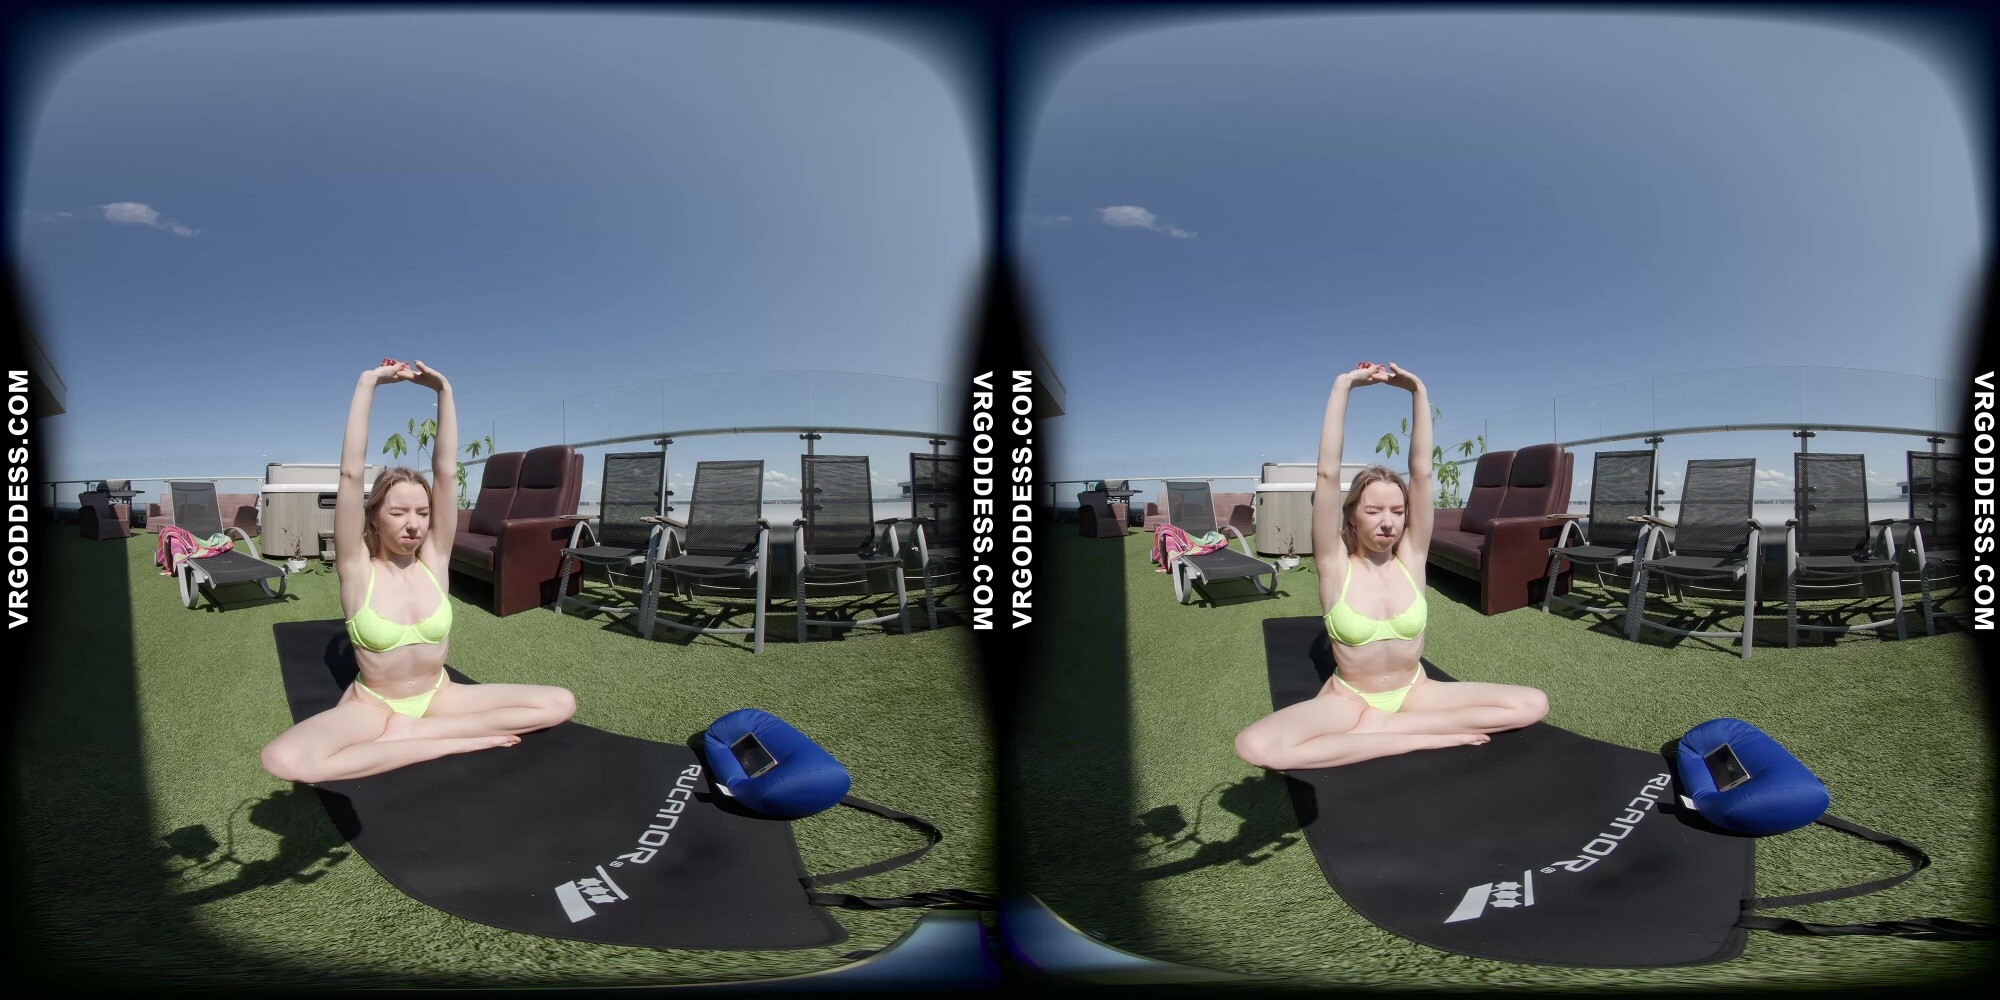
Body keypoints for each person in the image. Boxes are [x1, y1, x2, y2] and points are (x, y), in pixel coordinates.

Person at [261, 360, 575, 784]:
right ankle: (443, 740)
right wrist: (368, 383)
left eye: (423, 513)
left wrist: (444, 391)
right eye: (398, 512)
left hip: (440, 696)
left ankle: (417, 733)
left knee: (560, 703)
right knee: (282, 759)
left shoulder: (434, 562)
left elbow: (445, 474)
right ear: (375, 517)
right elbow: (350, 474)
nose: (414, 524)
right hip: (375, 707)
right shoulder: (357, 569)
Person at [1233, 362, 1547, 770]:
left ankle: (1388, 728)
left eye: (1397, 511)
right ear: (1351, 516)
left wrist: (1418, 391)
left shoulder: (1411, 559)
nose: (1388, 522)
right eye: (1374, 510)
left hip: (1417, 691)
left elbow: (1422, 473)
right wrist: (1344, 385)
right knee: (1255, 745)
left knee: (1532, 703)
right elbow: (1327, 474)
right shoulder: (1335, 564)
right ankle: (1415, 736)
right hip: (1350, 700)